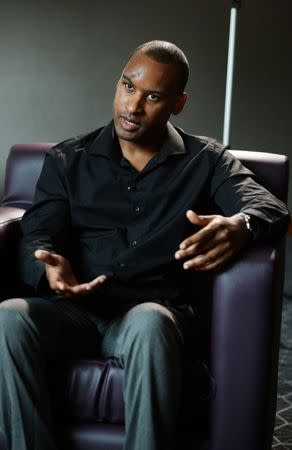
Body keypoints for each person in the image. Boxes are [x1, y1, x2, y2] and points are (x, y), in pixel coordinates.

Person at [0, 40, 289, 450]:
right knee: (8, 316)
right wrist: (48, 270)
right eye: (128, 87)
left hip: (152, 314)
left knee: (149, 322)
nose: (133, 106)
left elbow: (267, 205)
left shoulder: (205, 160)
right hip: (74, 311)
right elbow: (37, 235)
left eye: (153, 96)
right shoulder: (69, 158)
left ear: (178, 103)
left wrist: (241, 224)